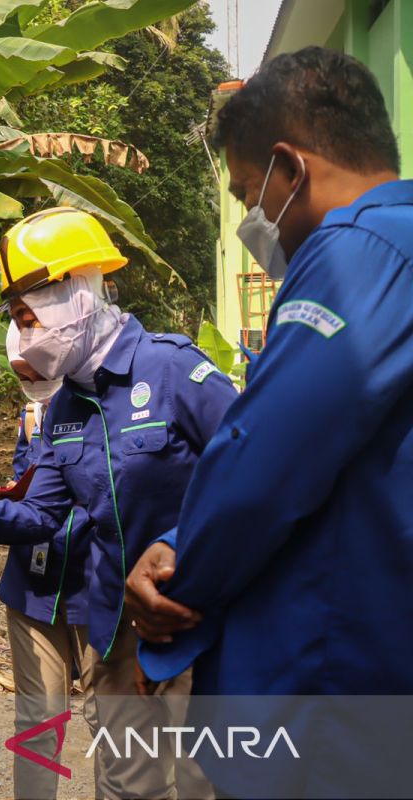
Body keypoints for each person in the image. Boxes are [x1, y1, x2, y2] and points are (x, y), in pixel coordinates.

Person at [126, 46, 413, 799]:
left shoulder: (358, 253)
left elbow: (267, 461)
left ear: (293, 168)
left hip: (329, 700)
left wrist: (178, 587)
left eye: (251, 194)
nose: (259, 223)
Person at [0, 207, 238, 800]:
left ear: (76, 295)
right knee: (129, 781)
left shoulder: (172, 369)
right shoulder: (66, 407)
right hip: (116, 624)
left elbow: (251, 470)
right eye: (16, 319)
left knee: (206, 775)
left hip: (197, 616)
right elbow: (40, 516)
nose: (22, 334)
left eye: (28, 315)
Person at [0, 328, 97, 800]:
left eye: (38, 371)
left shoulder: (104, 405)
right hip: (32, 587)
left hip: (98, 587)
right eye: (21, 374)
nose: (32, 380)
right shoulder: (32, 413)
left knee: (113, 719)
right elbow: (29, 479)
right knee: (38, 718)